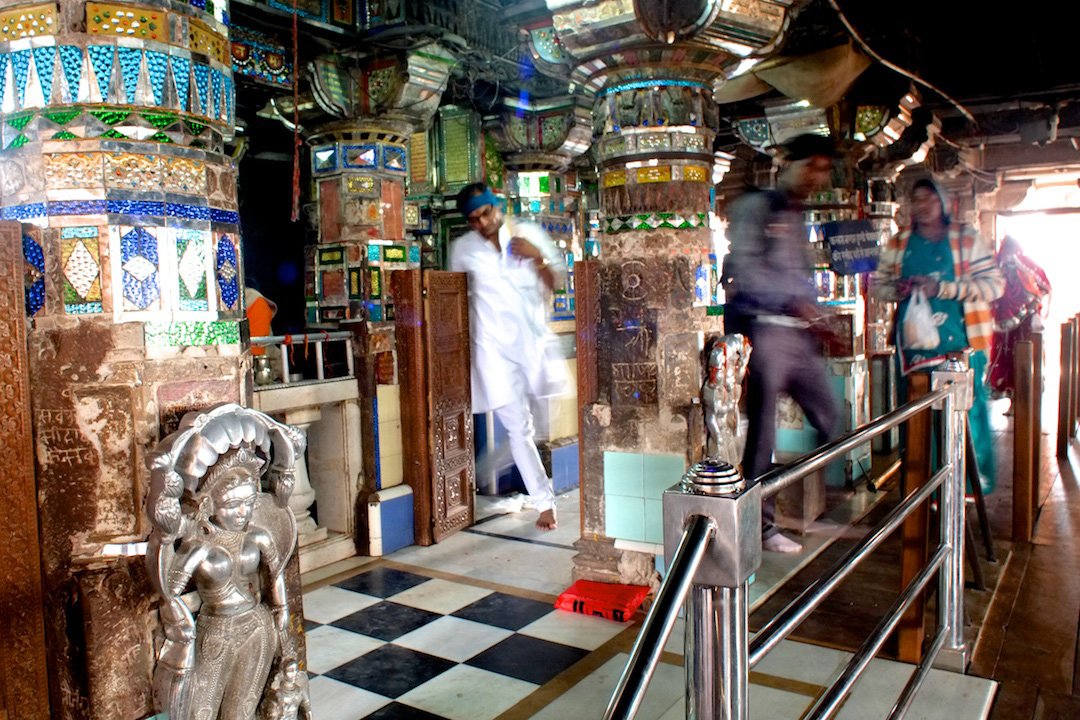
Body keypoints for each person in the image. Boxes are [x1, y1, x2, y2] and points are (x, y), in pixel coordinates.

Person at [723, 133, 841, 553]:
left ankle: (801, 504)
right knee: (763, 433)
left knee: (830, 417)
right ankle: (762, 525)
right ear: (787, 164)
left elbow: (798, 276)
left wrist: (816, 315)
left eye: (823, 170)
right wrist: (791, 300)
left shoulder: (795, 216)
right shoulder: (756, 207)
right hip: (764, 330)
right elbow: (745, 268)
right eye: (810, 166)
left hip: (796, 335)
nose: (816, 177)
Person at [872, 178, 1005, 492]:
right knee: (916, 417)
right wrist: (897, 289)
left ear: (944, 203)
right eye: (917, 199)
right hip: (913, 349)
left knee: (966, 415)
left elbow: (994, 286)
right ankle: (921, 490)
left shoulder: (965, 238)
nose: (923, 205)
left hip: (962, 345)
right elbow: (878, 286)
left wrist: (943, 289)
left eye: (930, 199)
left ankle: (968, 489)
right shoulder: (900, 242)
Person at [449, 182, 567, 530]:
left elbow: (556, 282)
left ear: (496, 206)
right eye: (473, 219)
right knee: (519, 428)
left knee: (548, 413)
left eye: (485, 213)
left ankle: (499, 461)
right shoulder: (463, 249)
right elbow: (451, 297)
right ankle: (545, 504)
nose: (482, 223)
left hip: (532, 345)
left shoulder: (527, 234)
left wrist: (537, 257)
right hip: (492, 352)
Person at [987, 235, 1051, 398]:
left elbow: (1045, 286)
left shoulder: (1025, 264)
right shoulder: (996, 266)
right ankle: (1003, 387)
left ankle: (1024, 392)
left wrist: (1034, 302)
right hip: (1002, 320)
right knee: (1002, 352)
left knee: (1023, 353)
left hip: (1024, 318)